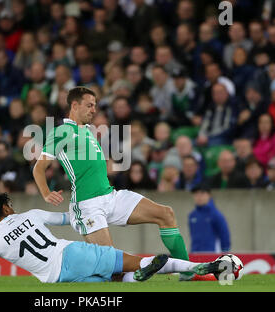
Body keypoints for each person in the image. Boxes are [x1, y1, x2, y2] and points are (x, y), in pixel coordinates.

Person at [33, 86, 198, 281]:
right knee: (111, 263)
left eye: (95, 105)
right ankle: (123, 274)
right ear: (75, 105)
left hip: (110, 197)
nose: (94, 109)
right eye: (89, 105)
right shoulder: (62, 131)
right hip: (87, 205)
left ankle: (188, 274)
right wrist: (45, 192)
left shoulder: (87, 130)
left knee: (165, 214)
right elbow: (39, 167)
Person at [0, 193, 227, 284]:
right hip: (72, 253)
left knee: (113, 281)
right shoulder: (32, 215)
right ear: (6, 208)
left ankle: (137, 278)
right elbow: (69, 218)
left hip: (55, 279)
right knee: (137, 261)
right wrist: (91, 210)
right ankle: (200, 267)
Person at [188, 184, 231, 253]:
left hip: (212, 255)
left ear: (209, 195)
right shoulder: (192, 215)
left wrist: (225, 254)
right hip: (195, 254)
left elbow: (224, 236)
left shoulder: (216, 215)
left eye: (202, 193)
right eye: (196, 194)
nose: (199, 197)